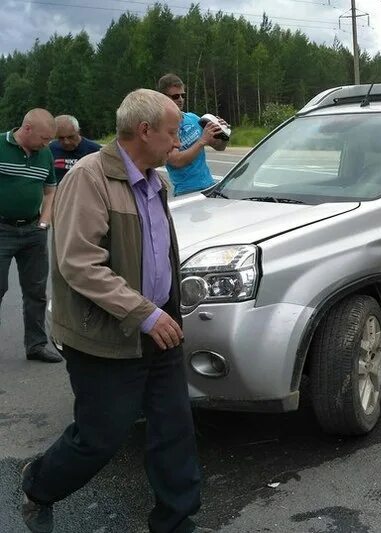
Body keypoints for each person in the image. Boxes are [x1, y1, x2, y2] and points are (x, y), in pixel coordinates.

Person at [20, 89, 201, 533]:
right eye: (173, 132)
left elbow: (159, 255)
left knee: (174, 430)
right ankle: (39, 485)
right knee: (100, 438)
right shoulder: (89, 177)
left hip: (158, 326)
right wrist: (143, 312)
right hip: (106, 335)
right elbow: (79, 263)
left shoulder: (157, 181)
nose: (178, 143)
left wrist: (166, 311)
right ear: (144, 131)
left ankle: (176, 522)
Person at [0, 108, 62, 363]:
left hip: (34, 231)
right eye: (44, 138)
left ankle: (36, 345)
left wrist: (45, 222)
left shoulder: (44, 154)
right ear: (27, 129)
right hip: (2, 229)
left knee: (36, 290)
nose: (47, 144)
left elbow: (50, 190)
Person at [157, 73, 228, 196]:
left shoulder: (194, 118)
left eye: (183, 95)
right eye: (175, 96)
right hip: (186, 192)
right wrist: (202, 141)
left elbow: (220, 147)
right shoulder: (161, 128)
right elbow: (176, 161)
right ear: (163, 98)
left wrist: (223, 132)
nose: (180, 99)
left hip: (209, 186)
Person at [49, 115, 101, 183]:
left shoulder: (95, 151)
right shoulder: (50, 149)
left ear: (78, 132)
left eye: (71, 137)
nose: (66, 142)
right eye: (61, 138)